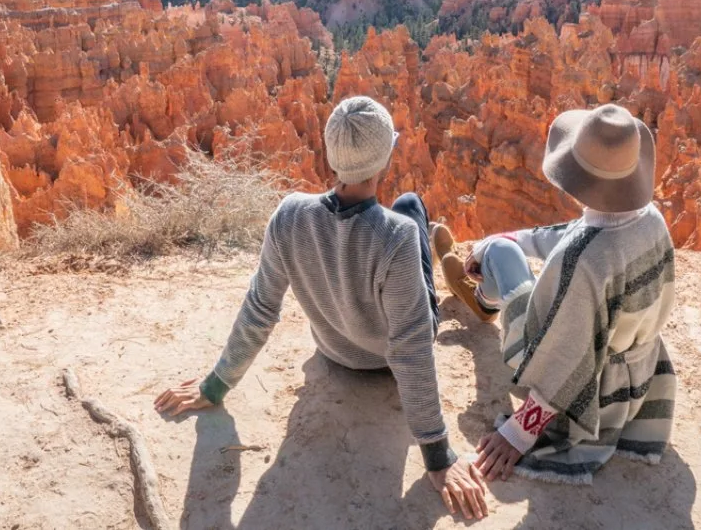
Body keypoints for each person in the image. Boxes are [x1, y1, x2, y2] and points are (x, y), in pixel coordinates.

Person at [155, 96, 489, 520]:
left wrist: (216, 386)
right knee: (410, 205)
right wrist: (438, 457)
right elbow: (410, 349)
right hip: (383, 358)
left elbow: (260, 309)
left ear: (331, 154)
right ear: (385, 156)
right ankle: (448, 261)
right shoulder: (396, 237)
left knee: (405, 215)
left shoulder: (288, 214)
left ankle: (436, 251)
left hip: (334, 352)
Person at [435, 102, 677, 486]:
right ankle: (483, 291)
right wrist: (501, 238)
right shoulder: (651, 220)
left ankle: (484, 300)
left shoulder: (584, 261)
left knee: (503, 256)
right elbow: (573, 233)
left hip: (587, 392)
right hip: (636, 377)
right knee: (502, 246)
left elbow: (565, 358)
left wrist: (518, 433)